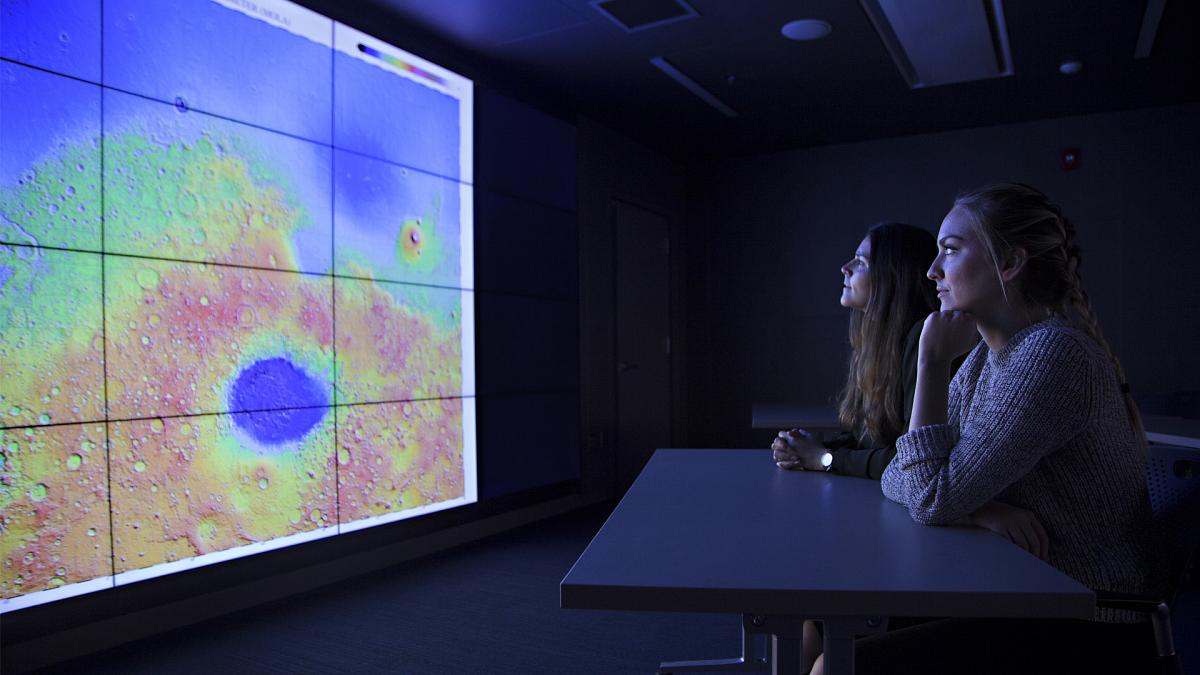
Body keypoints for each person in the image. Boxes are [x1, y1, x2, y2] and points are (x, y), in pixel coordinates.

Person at [862, 183, 1161, 673]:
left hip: (1087, 614)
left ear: (1010, 263)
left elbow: (930, 497)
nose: (933, 271)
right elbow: (902, 474)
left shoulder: (1052, 356)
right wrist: (980, 508)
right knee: (821, 624)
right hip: (1018, 587)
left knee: (838, 662)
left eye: (950, 251)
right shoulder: (986, 356)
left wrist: (932, 362)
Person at [771, 221, 939, 479]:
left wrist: (824, 458)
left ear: (893, 276)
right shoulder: (877, 341)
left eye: (861, 262)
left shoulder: (923, 339)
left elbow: (909, 459)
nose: (845, 268)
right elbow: (872, 439)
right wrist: (809, 448)